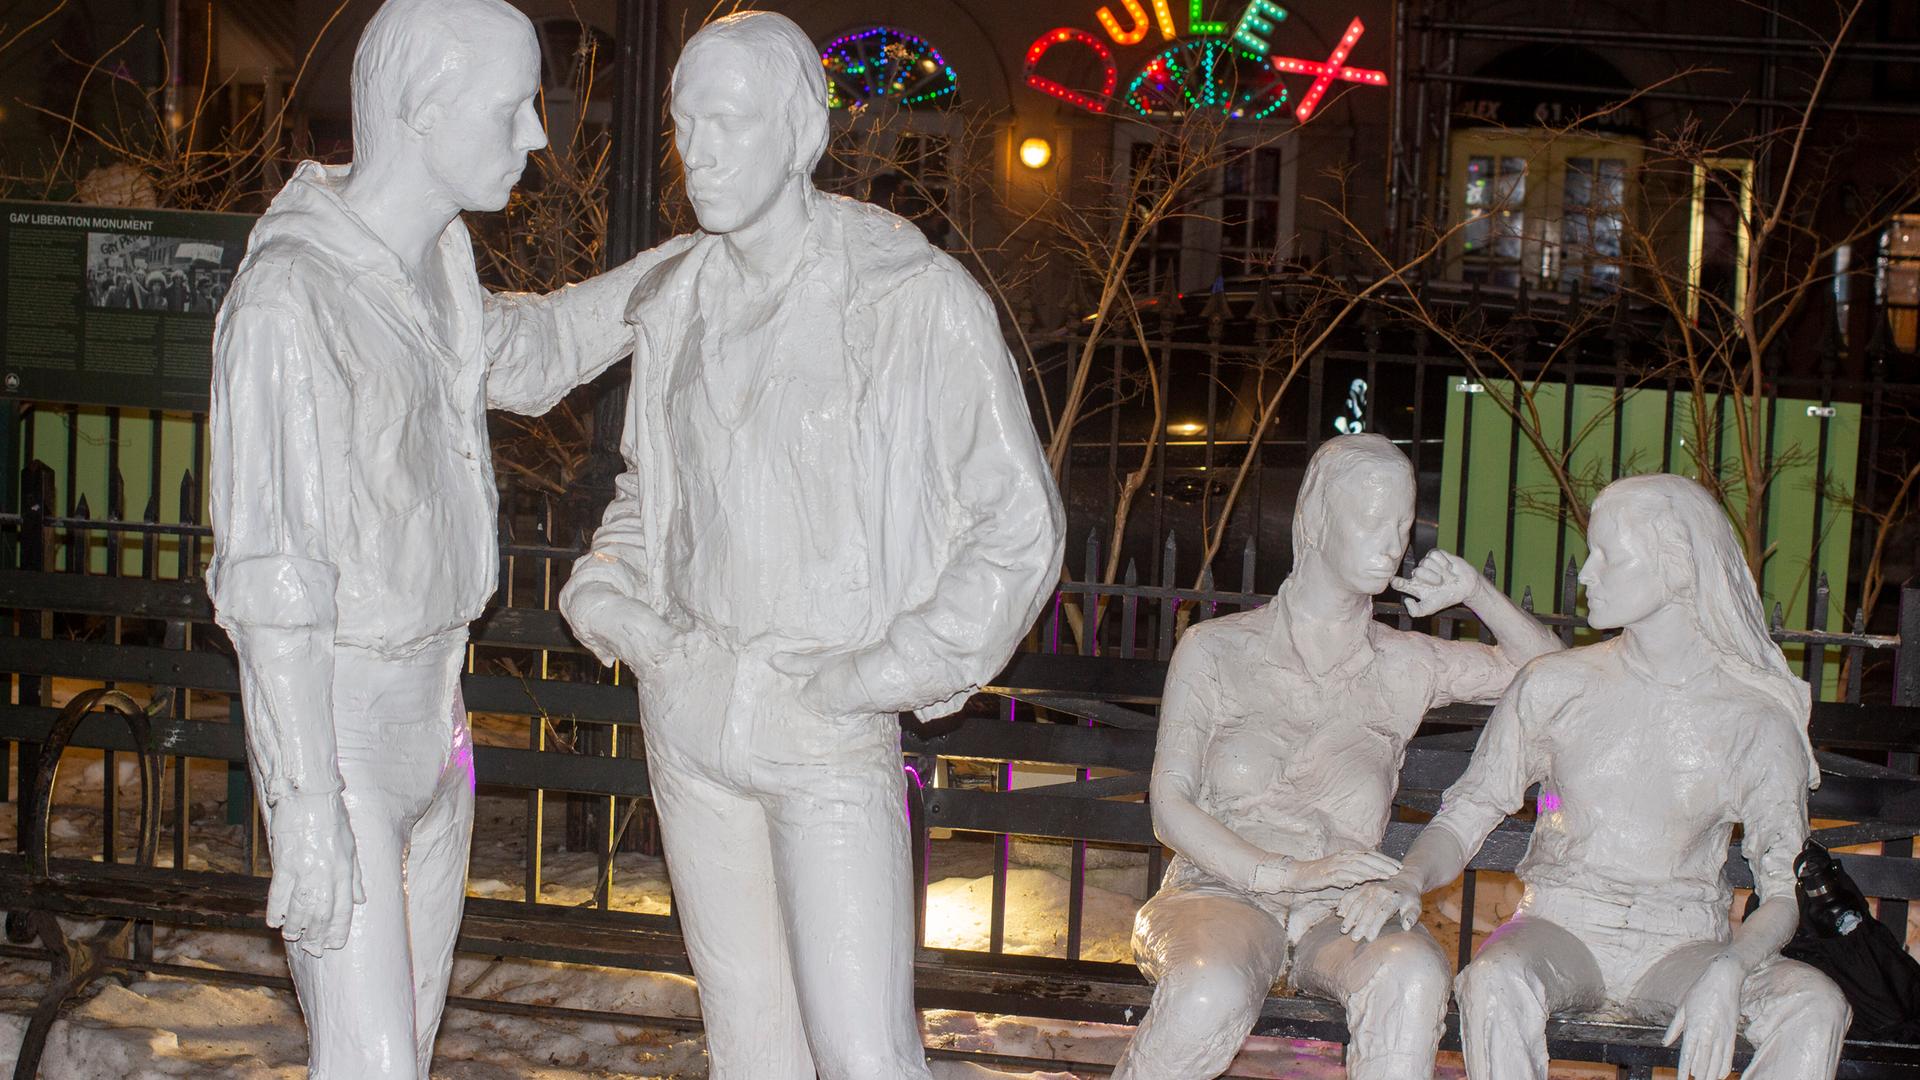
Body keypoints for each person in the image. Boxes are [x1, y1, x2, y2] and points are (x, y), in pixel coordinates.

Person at [559, 12, 1064, 1079]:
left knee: (863, 1051)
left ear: (800, 134)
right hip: (692, 713)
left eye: (730, 121)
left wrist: (883, 672)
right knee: (747, 1043)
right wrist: (614, 598)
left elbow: (1018, 525)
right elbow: (652, 496)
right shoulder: (679, 303)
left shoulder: (909, 298)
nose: (699, 148)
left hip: (826, 721)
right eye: (685, 121)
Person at [206, 0, 660, 1075]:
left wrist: (670, 272)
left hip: (437, 723)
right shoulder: (289, 301)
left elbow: (538, 349)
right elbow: (275, 585)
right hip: (344, 728)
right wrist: (306, 800)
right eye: (511, 107)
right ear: (419, 109)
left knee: (399, 1046)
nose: (537, 136)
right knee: (372, 1063)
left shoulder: (437, 267)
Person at [1340, 473, 1850, 1080]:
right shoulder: (1557, 684)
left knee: (1815, 1006)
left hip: (1683, 941)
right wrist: (1408, 877)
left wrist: (1733, 967)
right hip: (1560, 927)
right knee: (1494, 980)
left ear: (1677, 566)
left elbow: (1783, 885)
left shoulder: (1756, 720)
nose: (1586, 574)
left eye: (1609, 555)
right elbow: (1469, 810)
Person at [1111, 433, 1562, 1080]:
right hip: (1220, 894)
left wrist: (1476, 593)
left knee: (1412, 973)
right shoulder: (1216, 651)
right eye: (1372, 520)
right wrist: (1281, 875)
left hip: (1343, 909)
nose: (1393, 542)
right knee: (1210, 986)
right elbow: (1169, 806)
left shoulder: (1407, 664)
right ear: (1315, 521)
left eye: (1404, 525)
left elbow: (1549, 673)